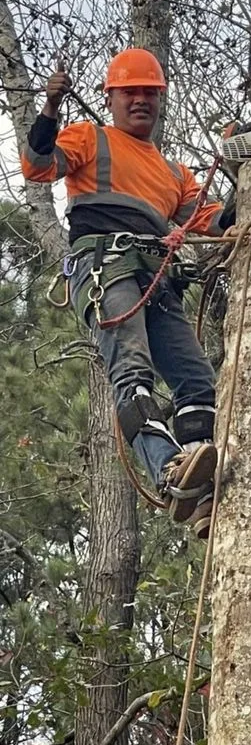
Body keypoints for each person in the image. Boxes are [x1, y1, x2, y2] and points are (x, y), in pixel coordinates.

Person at [20, 48, 229, 539]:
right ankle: (168, 471)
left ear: (160, 100)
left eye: (149, 93)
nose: (140, 101)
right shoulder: (90, 138)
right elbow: (36, 166)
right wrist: (49, 108)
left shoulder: (174, 173)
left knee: (197, 383)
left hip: (156, 279)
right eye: (130, 92)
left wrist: (249, 180)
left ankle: (201, 487)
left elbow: (218, 222)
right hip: (106, 266)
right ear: (111, 98)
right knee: (132, 373)